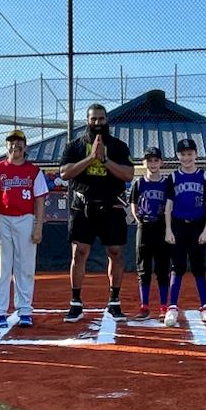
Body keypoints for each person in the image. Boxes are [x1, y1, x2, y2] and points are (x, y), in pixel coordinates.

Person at [59, 104, 134, 323]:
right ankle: (75, 302)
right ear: (87, 120)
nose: (97, 123)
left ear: (106, 120)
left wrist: (105, 161)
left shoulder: (118, 146)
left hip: (112, 207)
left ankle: (114, 301)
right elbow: (64, 173)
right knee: (79, 253)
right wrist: (91, 158)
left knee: (115, 253)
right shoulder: (75, 145)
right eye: (93, 119)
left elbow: (128, 174)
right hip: (83, 206)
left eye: (101, 119)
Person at [0, 130, 48, 328]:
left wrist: (38, 226)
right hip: (2, 218)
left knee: (25, 266)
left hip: (26, 218)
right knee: (2, 267)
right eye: (11, 142)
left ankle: (25, 310)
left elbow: (39, 201)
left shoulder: (33, 171)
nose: (15, 146)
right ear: (7, 146)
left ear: (25, 146)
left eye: (19, 142)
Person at [163, 138, 206, 327]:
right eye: (183, 154)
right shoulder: (173, 177)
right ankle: (172, 307)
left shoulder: (204, 176)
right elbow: (168, 206)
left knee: (198, 267)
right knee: (177, 267)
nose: (187, 157)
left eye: (190, 154)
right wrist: (168, 229)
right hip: (178, 226)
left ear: (196, 155)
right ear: (178, 156)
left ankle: (205, 306)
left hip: (197, 226)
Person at [129, 146, 170, 321]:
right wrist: (138, 218)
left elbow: (170, 205)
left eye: (155, 160)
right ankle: (144, 307)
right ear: (143, 162)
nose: (152, 163)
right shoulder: (139, 183)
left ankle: (163, 307)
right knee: (143, 269)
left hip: (161, 227)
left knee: (162, 269)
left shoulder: (167, 183)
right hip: (144, 228)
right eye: (149, 160)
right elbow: (133, 202)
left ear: (161, 162)